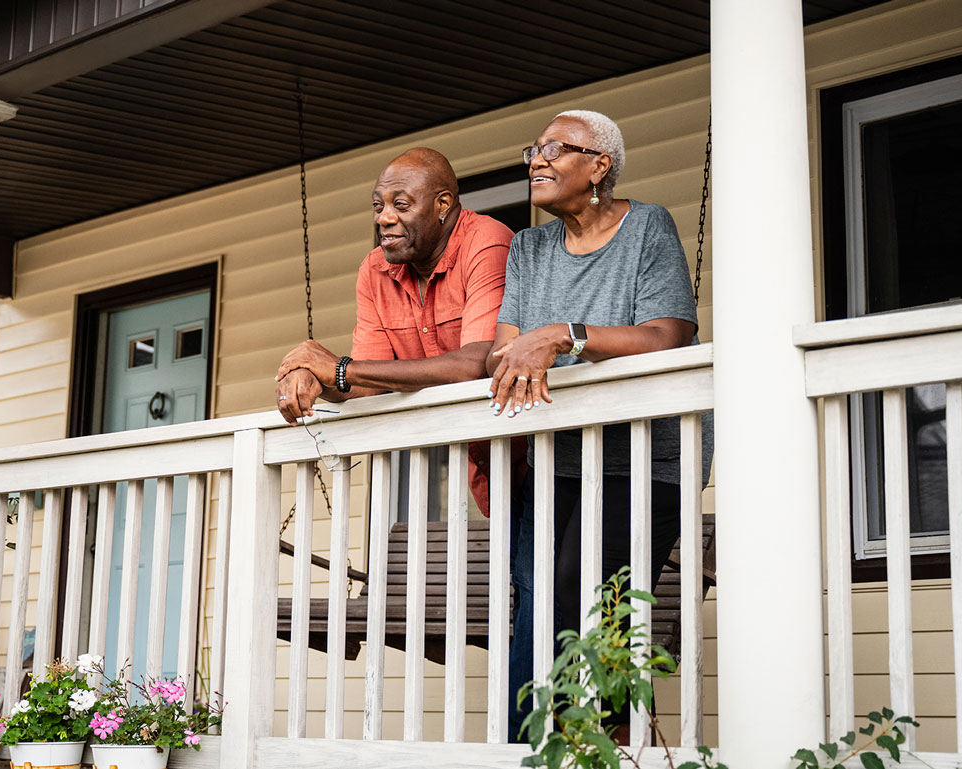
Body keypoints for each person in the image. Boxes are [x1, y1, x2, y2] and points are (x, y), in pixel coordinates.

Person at [487, 110, 714, 742]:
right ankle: (555, 745)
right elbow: (507, 350)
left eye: (556, 148)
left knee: (583, 599)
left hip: (647, 458)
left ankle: (598, 743)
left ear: (600, 165)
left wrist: (565, 336)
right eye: (533, 147)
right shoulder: (529, 248)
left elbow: (667, 335)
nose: (537, 159)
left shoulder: (647, 227)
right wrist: (534, 346)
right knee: (543, 611)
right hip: (560, 459)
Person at [275, 147, 516, 515]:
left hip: (541, 449)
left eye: (401, 205)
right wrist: (315, 378)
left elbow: (475, 365)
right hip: (483, 466)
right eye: (378, 206)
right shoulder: (374, 270)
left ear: (443, 204)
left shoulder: (486, 240)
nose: (384, 218)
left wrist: (339, 368)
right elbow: (369, 381)